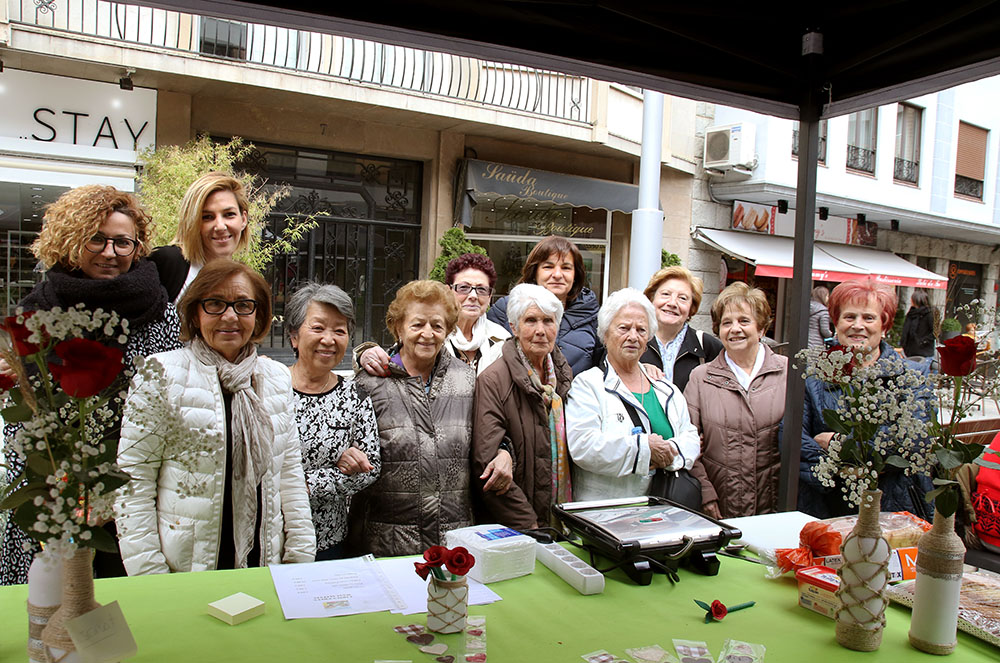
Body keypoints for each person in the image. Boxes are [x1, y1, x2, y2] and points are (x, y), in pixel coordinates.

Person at [1, 185, 181, 586]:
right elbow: (27, 409)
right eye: (96, 239)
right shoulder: (38, 309)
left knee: (128, 595)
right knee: (57, 593)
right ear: (70, 241)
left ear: (138, 246)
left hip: (132, 479)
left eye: (122, 242)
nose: (110, 252)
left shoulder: (158, 309)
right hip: (54, 480)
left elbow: (170, 399)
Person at [115, 260, 315, 574]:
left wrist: (300, 559)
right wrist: (150, 576)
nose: (230, 316)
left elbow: (288, 474)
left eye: (243, 305)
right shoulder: (161, 374)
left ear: (258, 313)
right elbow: (133, 482)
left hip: (262, 563)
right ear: (196, 312)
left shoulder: (275, 378)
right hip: (185, 570)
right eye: (215, 304)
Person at [347, 280, 476, 557]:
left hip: (453, 543)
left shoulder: (466, 380)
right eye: (417, 325)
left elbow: (488, 437)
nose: (427, 334)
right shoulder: (371, 382)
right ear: (398, 328)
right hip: (388, 543)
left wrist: (504, 450)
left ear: (449, 330)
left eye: (437, 326)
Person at [798, 279, 934, 520]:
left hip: (893, 509)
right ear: (836, 324)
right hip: (825, 508)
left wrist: (838, 444)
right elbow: (792, 438)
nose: (857, 325)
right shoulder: (814, 377)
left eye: (868, 318)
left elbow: (913, 443)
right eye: (849, 317)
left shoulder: (911, 377)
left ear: (884, 326)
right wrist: (843, 472)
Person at [566, 288, 700, 501]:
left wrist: (667, 454)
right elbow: (583, 446)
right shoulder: (588, 385)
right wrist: (644, 450)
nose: (633, 337)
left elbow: (691, 437)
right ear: (606, 334)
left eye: (641, 330)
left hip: (662, 513)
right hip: (606, 515)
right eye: (624, 328)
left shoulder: (664, 387)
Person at [285, 282, 380, 560]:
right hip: (272, 535)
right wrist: (335, 474)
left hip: (329, 541)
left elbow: (370, 468)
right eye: (318, 328)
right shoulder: (270, 387)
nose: (329, 339)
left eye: (339, 330)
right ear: (294, 336)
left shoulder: (356, 394)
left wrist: (309, 485)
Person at [472, 284, 573, 529]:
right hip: (518, 527)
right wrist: (531, 526)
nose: (540, 330)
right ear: (514, 328)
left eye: (548, 321)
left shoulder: (564, 377)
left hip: (560, 519)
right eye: (531, 321)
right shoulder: (493, 380)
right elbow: (487, 465)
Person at [684, 282, 787, 519]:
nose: (734, 329)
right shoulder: (701, 377)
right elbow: (686, 440)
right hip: (720, 505)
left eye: (744, 321)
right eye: (726, 323)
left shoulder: (787, 373)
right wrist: (706, 495)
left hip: (776, 504)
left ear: (761, 329)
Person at [358, 253, 510, 376]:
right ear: (448, 291)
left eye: (482, 289)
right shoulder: (431, 332)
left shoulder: (503, 339)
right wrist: (363, 355)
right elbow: (394, 359)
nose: (473, 296)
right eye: (464, 287)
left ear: (490, 297)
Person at [487, 236, 599, 376]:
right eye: (548, 266)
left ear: (576, 275)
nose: (557, 275)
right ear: (535, 272)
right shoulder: (505, 308)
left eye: (566, 268)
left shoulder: (592, 315)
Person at [149, 172, 250, 303]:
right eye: (207, 217)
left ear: (243, 219)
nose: (220, 226)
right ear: (192, 222)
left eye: (229, 214)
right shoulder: (169, 263)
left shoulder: (244, 279)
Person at [639, 267, 724, 392]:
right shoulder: (633, 340)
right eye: (666, 294)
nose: (672, 303)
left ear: (691, 308)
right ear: (651, 299)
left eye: (682, 298)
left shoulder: (708, 346)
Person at [900, 289, 935, 359]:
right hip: (909, 352)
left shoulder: (929, 314)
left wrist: (923, 341)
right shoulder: (911, 313)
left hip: (924, 352)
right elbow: (906, 330)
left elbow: (936, 332)